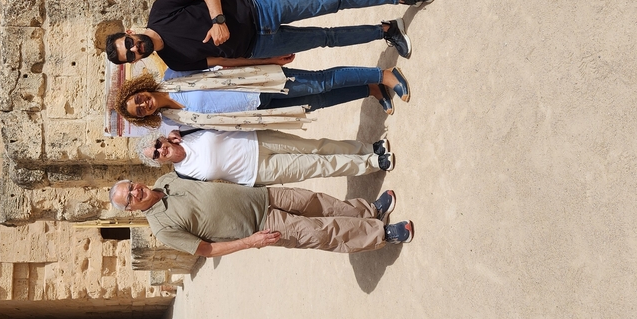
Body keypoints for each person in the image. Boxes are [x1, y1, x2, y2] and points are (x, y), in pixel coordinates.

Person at [104, 0, 436, 70]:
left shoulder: (161, 10)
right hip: (261, 45)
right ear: (134, 61)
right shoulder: (173, 62)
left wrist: (218, 19)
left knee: (330, 1)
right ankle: (386, 31)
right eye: (130, 55)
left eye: (129, 43)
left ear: (130, 33)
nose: (135, 49)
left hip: (260, 12)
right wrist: (268, 60)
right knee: (327, 39)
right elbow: (220, 61)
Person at [109, 173, 413, 256]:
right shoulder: (161, 228)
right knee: (320, 233)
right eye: (130, 198)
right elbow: (207, 250)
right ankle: (381, 234)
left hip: (261, 194)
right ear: (130, 209)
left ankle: (368, 211)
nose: (136, 192)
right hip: (259, 225)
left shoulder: (165, 180)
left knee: (318, 203)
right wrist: (250, 242)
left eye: (132, 186)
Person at [112, 63, 410, 130]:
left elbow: (216, 62)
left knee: (320, 82)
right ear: (145, 117)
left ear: (140, 90)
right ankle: (368, 89)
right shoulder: (173, 121)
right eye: (139, 111)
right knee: (316, 102)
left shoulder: (173, 75)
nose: (143, 105)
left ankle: (383, 75)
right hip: (256, 112)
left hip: (259, 82)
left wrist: (261, 59)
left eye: (138, 100)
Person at [138, 127, 395, 185]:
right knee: (317, 166)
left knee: (316, 146)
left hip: (258, 139)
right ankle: (373, 164)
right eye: (156, 155)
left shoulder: (185, 130)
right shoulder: (183, 175)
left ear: (161, 139)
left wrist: (177, 129)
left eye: (157, 145)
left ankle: (369, 149)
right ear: (158, 162)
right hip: (258, 172)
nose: (161, 151)